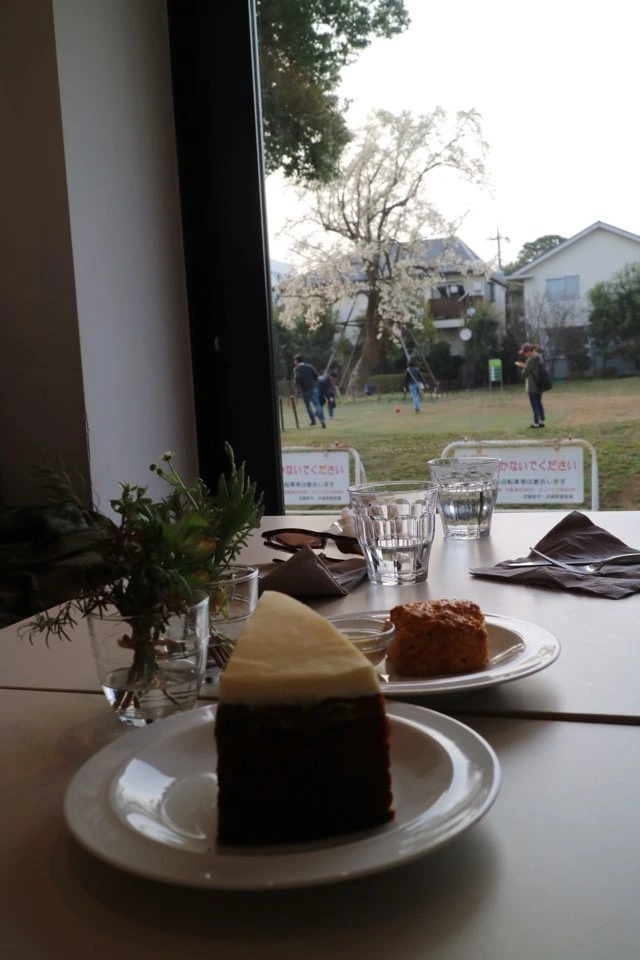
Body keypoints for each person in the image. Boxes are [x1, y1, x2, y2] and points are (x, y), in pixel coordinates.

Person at [515, 342, 546, 428]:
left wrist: (523, 366)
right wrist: (526, 366)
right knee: (539, 403)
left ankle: (536, 422)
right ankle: (541, 420)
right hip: (540, 384)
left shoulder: (531, 360)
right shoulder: (539, 357)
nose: (524, 355)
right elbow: (534, 369)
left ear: (528, 351)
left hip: (532, 386)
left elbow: (524, 374)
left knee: (534, 404)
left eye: (524, 352)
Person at [293, 354, 326, 427]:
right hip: (313, 388)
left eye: (294, 360)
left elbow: (297, 379)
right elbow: (316, 377)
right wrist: (313, 383)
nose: (294, 362)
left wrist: (297, 388)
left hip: (304, 389)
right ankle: (322, 420)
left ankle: (313, 421)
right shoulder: (310, 366)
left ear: (297, 361)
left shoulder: (297, 369)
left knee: (308, 405)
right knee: (317, 404)